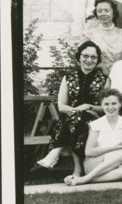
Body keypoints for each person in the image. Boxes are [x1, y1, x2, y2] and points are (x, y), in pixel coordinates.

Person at [35, 40, 108, 176]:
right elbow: (62, 106)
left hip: (95, 119)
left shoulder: (104, 79)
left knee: (78, 120)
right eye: (85, 56)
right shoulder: (68, 77)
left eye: (93, 57)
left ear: (97, 60)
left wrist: (90, 107)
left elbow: (107, 107)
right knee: (78, 120)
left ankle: (56, 152)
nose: (89, 60)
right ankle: (77, 169)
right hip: (70, 119)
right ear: (79, 57)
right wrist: (78, 110)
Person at [63, 89, 122, 186]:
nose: (110, 107)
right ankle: (86, 178)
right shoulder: (96, 125)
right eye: (106, 104)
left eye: (114, 103)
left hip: (116, 164)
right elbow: (89, 152)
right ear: (101, 106)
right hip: (94, 163)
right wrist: (113, 148)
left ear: (120, 104)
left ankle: (86, 179)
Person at [84, 0, 122, 75]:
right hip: (97, 76)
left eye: (107, 11)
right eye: (99, 11)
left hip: (121, 75)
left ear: (113, 12)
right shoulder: (90, 34)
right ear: (96, 13)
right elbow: (84, 58)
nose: (103, 14)